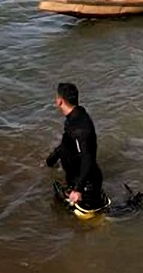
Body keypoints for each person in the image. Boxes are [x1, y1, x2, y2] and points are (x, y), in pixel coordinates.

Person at [45, 83, 108, 214]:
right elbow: (67, 144)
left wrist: (78, 189)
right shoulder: (74, 118)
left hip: (86, 187)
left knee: (58, 212)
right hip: (76, 178)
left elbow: (87, 157)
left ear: (59, 101)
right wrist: (51, 159)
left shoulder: (80, 128)